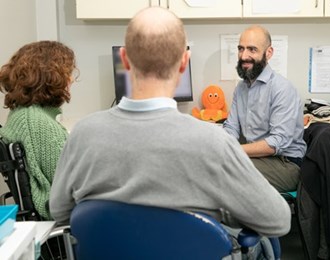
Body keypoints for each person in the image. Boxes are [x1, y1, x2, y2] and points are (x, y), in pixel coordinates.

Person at [50, 6, 290, 245]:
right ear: (184, 62)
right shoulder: (214, 142)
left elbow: (59, 212)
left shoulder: (82, 134)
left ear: (125, 60)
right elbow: (278, 220)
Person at [223, 25, 306, 193]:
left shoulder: (282, 88)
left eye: (252, 49)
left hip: (285, 163)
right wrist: (220, 144)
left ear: (269, 53)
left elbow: (276, 143)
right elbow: (231, 127)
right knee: (212, 165)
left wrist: (232, 150)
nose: (244, 56)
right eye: (241, 49)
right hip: (255, 157)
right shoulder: (241, 88)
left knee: (225, 173)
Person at [0, 40, 77, 220]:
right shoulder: (37, 124)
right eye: (67, 73)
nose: (71, 79)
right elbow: (72, 186)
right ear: (51, 76)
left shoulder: (22, 114)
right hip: (63, 221)